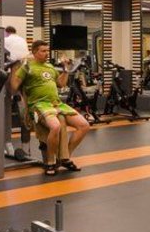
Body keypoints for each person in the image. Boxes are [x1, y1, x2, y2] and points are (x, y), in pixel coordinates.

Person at [10, 39, 90, 175]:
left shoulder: (50, 67)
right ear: (34, 52)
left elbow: (61, 84)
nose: (47, 53)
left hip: (56, 104)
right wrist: (14, 68)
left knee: (84, 125)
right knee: (55, 126)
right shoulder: (27, 67)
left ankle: (65, 157)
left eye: (47, 50)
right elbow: (14, 86)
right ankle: (50, 162)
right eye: (43, 51)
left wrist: (66, 70)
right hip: (39, 105)